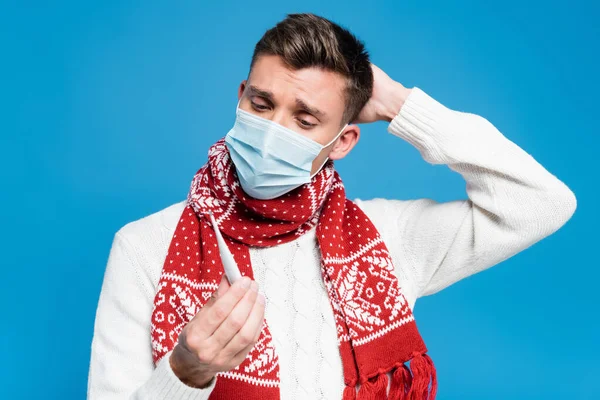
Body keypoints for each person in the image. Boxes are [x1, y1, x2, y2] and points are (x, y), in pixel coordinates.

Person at [87, 13, 577, 400]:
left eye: (305, 119)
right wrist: (185, 373)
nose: (274, 130)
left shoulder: (387, 237)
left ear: (343, 142)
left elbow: (541, 202)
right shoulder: (144, 246)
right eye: (261, 105)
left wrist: (400, 104)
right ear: (240, 97)